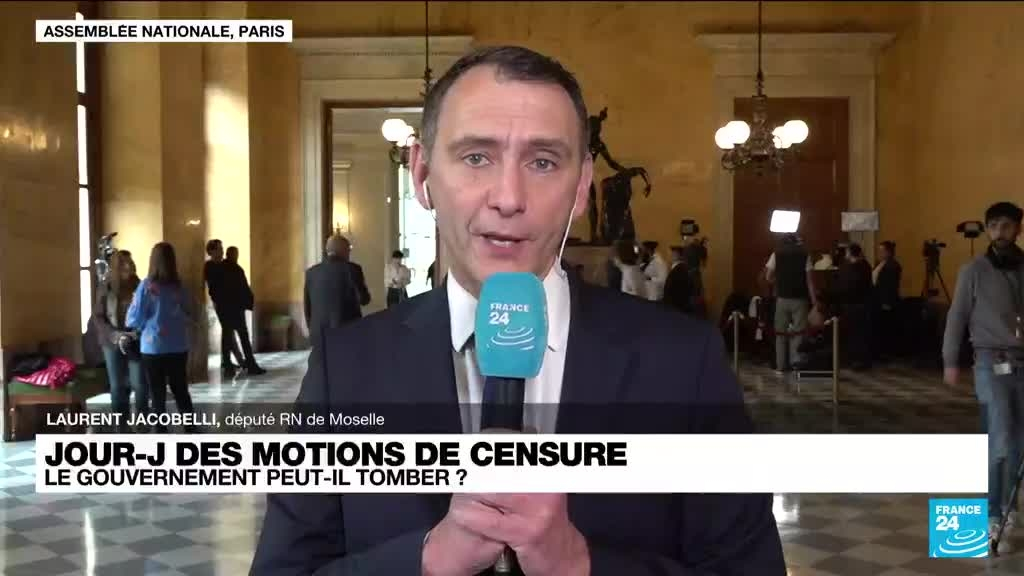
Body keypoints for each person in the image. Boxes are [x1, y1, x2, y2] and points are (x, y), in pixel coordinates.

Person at [253, 45, 784, 575]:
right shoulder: (345, 368)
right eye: (476, 157)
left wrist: (580, 565)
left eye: (543, 162)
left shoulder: (684, 363)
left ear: (581, 187)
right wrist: (426, 560)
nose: (509, 198)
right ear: (422, 174)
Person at [943, 201, 1024, 554]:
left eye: (1006, 225)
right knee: (1000, 438)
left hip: (1022, 363)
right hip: (991, 362)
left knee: (1017, 442)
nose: (999, 232)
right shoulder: (973, 270)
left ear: (1018, 229)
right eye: (993, 226)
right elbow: (957, 316)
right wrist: (950, 360)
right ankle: (993, 514)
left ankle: (1009, 507)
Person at [126, 242, 196, 433]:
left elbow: (134, 318)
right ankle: (190, 428)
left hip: (153, 347)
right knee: (180, 389)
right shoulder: (179, 286)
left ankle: (161, 430)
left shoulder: (146, 286)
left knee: (157, 392)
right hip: (178, 345)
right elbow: (189, 312)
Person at [91, 250, 147, 432]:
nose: (129, 266)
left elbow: (147, 313)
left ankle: (143, 423)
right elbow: (98, 317)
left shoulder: (140, 285)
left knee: (139, 384)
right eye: (124, 264)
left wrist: (136, 333)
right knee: (117, 386)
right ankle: (121, 426)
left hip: (135, 339)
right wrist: (115, 336)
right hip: (112, 341)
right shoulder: (106, 287)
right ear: (116, 267)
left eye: (130, 262)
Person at [764, 233, 818, 374]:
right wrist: (814, 302)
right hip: (800, 299)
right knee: (798, 333)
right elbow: (810, 282)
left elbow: (768, 276)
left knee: (780, 333)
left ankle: (780, 366)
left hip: (782, 298)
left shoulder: (776, 254)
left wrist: (779, 283)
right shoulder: (805, 255)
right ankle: (795, 364)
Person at [303, 235, 364, 343]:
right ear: (343, 250)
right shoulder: (352, 269)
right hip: (347, 332)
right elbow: (364, 299)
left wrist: (312, 329)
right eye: (349, 249)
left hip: (318, 334)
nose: (349, 253)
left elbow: (307, 306)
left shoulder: (311, 272)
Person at [223, 246, 266, 375]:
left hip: (227, 308)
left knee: (227, 337)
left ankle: (228, 366)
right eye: (235, 254)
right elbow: (242, 288)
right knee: (243, 337)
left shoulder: (223, 268)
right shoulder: (235, 269)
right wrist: (247, 301)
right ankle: (250, 365)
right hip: (236, 308)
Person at [204, 239, 240, 377]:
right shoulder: (209, 266)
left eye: (222, 248)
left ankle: (229, 360)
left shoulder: (225, 264)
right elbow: (214, 287)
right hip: (220, 303)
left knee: (229, 332)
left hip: (230, 303)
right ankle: (227, 362)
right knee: (227, 332)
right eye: (219, 249)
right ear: (211, 251)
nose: (222, 251)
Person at [838, 243, 873, 370]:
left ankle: (854, 359)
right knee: (861, 333)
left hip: (851, 304)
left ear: (849, 253)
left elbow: (844, 285)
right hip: (863, 303)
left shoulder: (847, 268)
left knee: (853, 333)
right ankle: (861, 360)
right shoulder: (866, 266)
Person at [873, 240, 902, 360]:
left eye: (882, 251)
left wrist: (886, 302)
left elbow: (890, 286)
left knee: (887, 327)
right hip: (878, 300)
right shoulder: (880, 263)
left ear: (889, 252)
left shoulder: (893, 266)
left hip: (887, 301)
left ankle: (887, 353)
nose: (880, 253)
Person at [663, 245, 695, 316]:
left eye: (672, 254)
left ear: (677, 255)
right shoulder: (680, 268)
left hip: (675, 308)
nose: (669, 256)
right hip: (675, 307)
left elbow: (677, 290)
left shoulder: (679, 269)